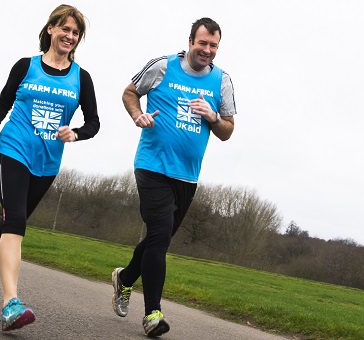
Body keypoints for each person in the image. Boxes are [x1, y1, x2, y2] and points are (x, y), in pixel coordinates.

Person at [0, 4, 99, 332]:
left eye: (76, 33)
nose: (70, 36)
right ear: (51, 29)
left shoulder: (81, 78)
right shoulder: (26, 66)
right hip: (13, 149)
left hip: (47, 162)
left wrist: (75, 133)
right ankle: (10, 304)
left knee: (10, 223)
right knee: (16, 222)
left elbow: (94, 123)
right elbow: (3, 100)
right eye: (65, 29)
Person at [111, 17, 236, 337]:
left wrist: (212, 117)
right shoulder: (163, 66)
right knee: (160, 231)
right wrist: (137, 114)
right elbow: (129, 92)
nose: (207, 50)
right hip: (152, 165)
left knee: (158, 238)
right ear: (190, 41)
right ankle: (152, 313)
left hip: (187, 177)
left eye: (213, 46)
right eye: (202, 43)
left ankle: (125, 279)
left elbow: (227, 130)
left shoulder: (222, 81)